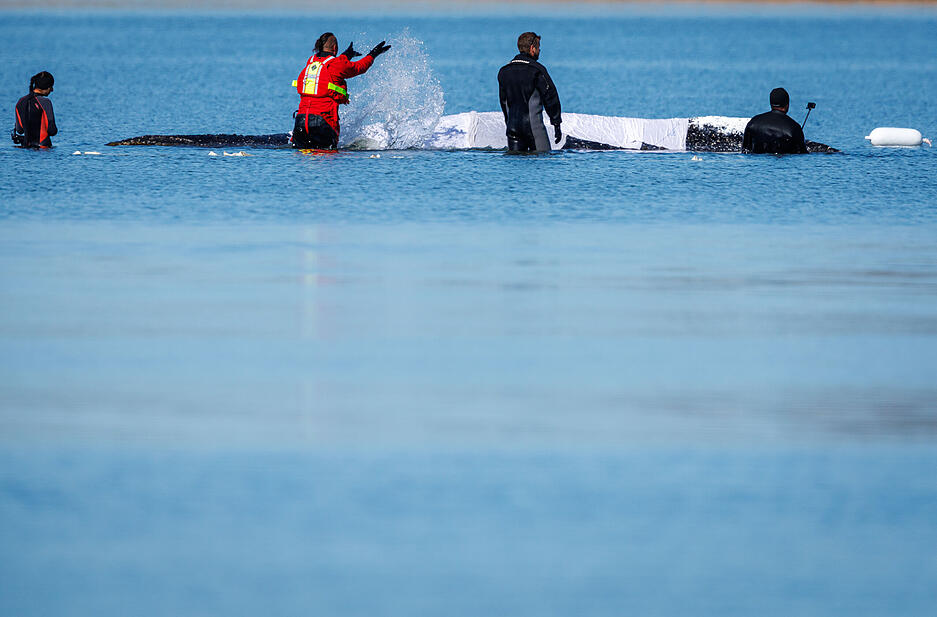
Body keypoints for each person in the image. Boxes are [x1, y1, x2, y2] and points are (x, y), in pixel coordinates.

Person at [291, 32, 391, 149]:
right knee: (328, 157)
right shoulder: (336, 64)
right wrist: (373, 54)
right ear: (335, 48)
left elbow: (332, 63)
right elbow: (359, 67)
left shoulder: (311, 62)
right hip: (322, 123)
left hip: (301, 122)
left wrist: (346, 55)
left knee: (304, 156)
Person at [497, 32, 562, 153]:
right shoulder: (537, 69)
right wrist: (556, 123)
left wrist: (508, 122)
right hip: (534, 128)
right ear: (532, 48)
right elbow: (551, 97)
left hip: (512, 129)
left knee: (514, 165)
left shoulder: (504, 71)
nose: (539, 51)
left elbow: (503, 101)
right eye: (538, 48)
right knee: (543, 160)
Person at [742, 87, 808, 154]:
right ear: (787, 105)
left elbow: (745, 151)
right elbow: (803, 154)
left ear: (771, 103)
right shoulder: (794, 128)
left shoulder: (753, 123)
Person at [12, 71, 57, 148]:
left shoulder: (20, 101)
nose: (52, 90)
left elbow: (19, 130)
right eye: (51, 86)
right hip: (44, 148)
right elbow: (52, 130)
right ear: (46, 87)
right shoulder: (45, 102)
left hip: (25, 147)